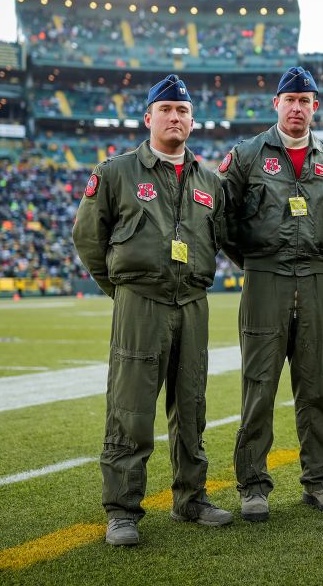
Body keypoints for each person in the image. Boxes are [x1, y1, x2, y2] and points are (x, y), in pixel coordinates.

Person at [72, 74, 233, 548]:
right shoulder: (116, 172)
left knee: (192, 405)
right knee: (131, 408)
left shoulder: (209, 180)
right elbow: (88, 238)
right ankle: (122, 510)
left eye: (183, 111)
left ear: (192, 120)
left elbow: (219, 237)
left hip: (193, 303)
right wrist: (122, 290)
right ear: (148, 118)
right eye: (166, 110)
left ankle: (191, 498)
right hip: (140, 302)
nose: (175, 117)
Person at [217, 66, 323, 522]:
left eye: (305, 100)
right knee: (259, 386)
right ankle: (253, 485)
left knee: (316, 385)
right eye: (289, 99)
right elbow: (224, 221)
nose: (297, 107)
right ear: (276, 104)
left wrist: (314, 255)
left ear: (316, 107)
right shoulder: (247, 155)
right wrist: (256, 262)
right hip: (264, 278)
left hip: (314, 277)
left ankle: (320, 480)